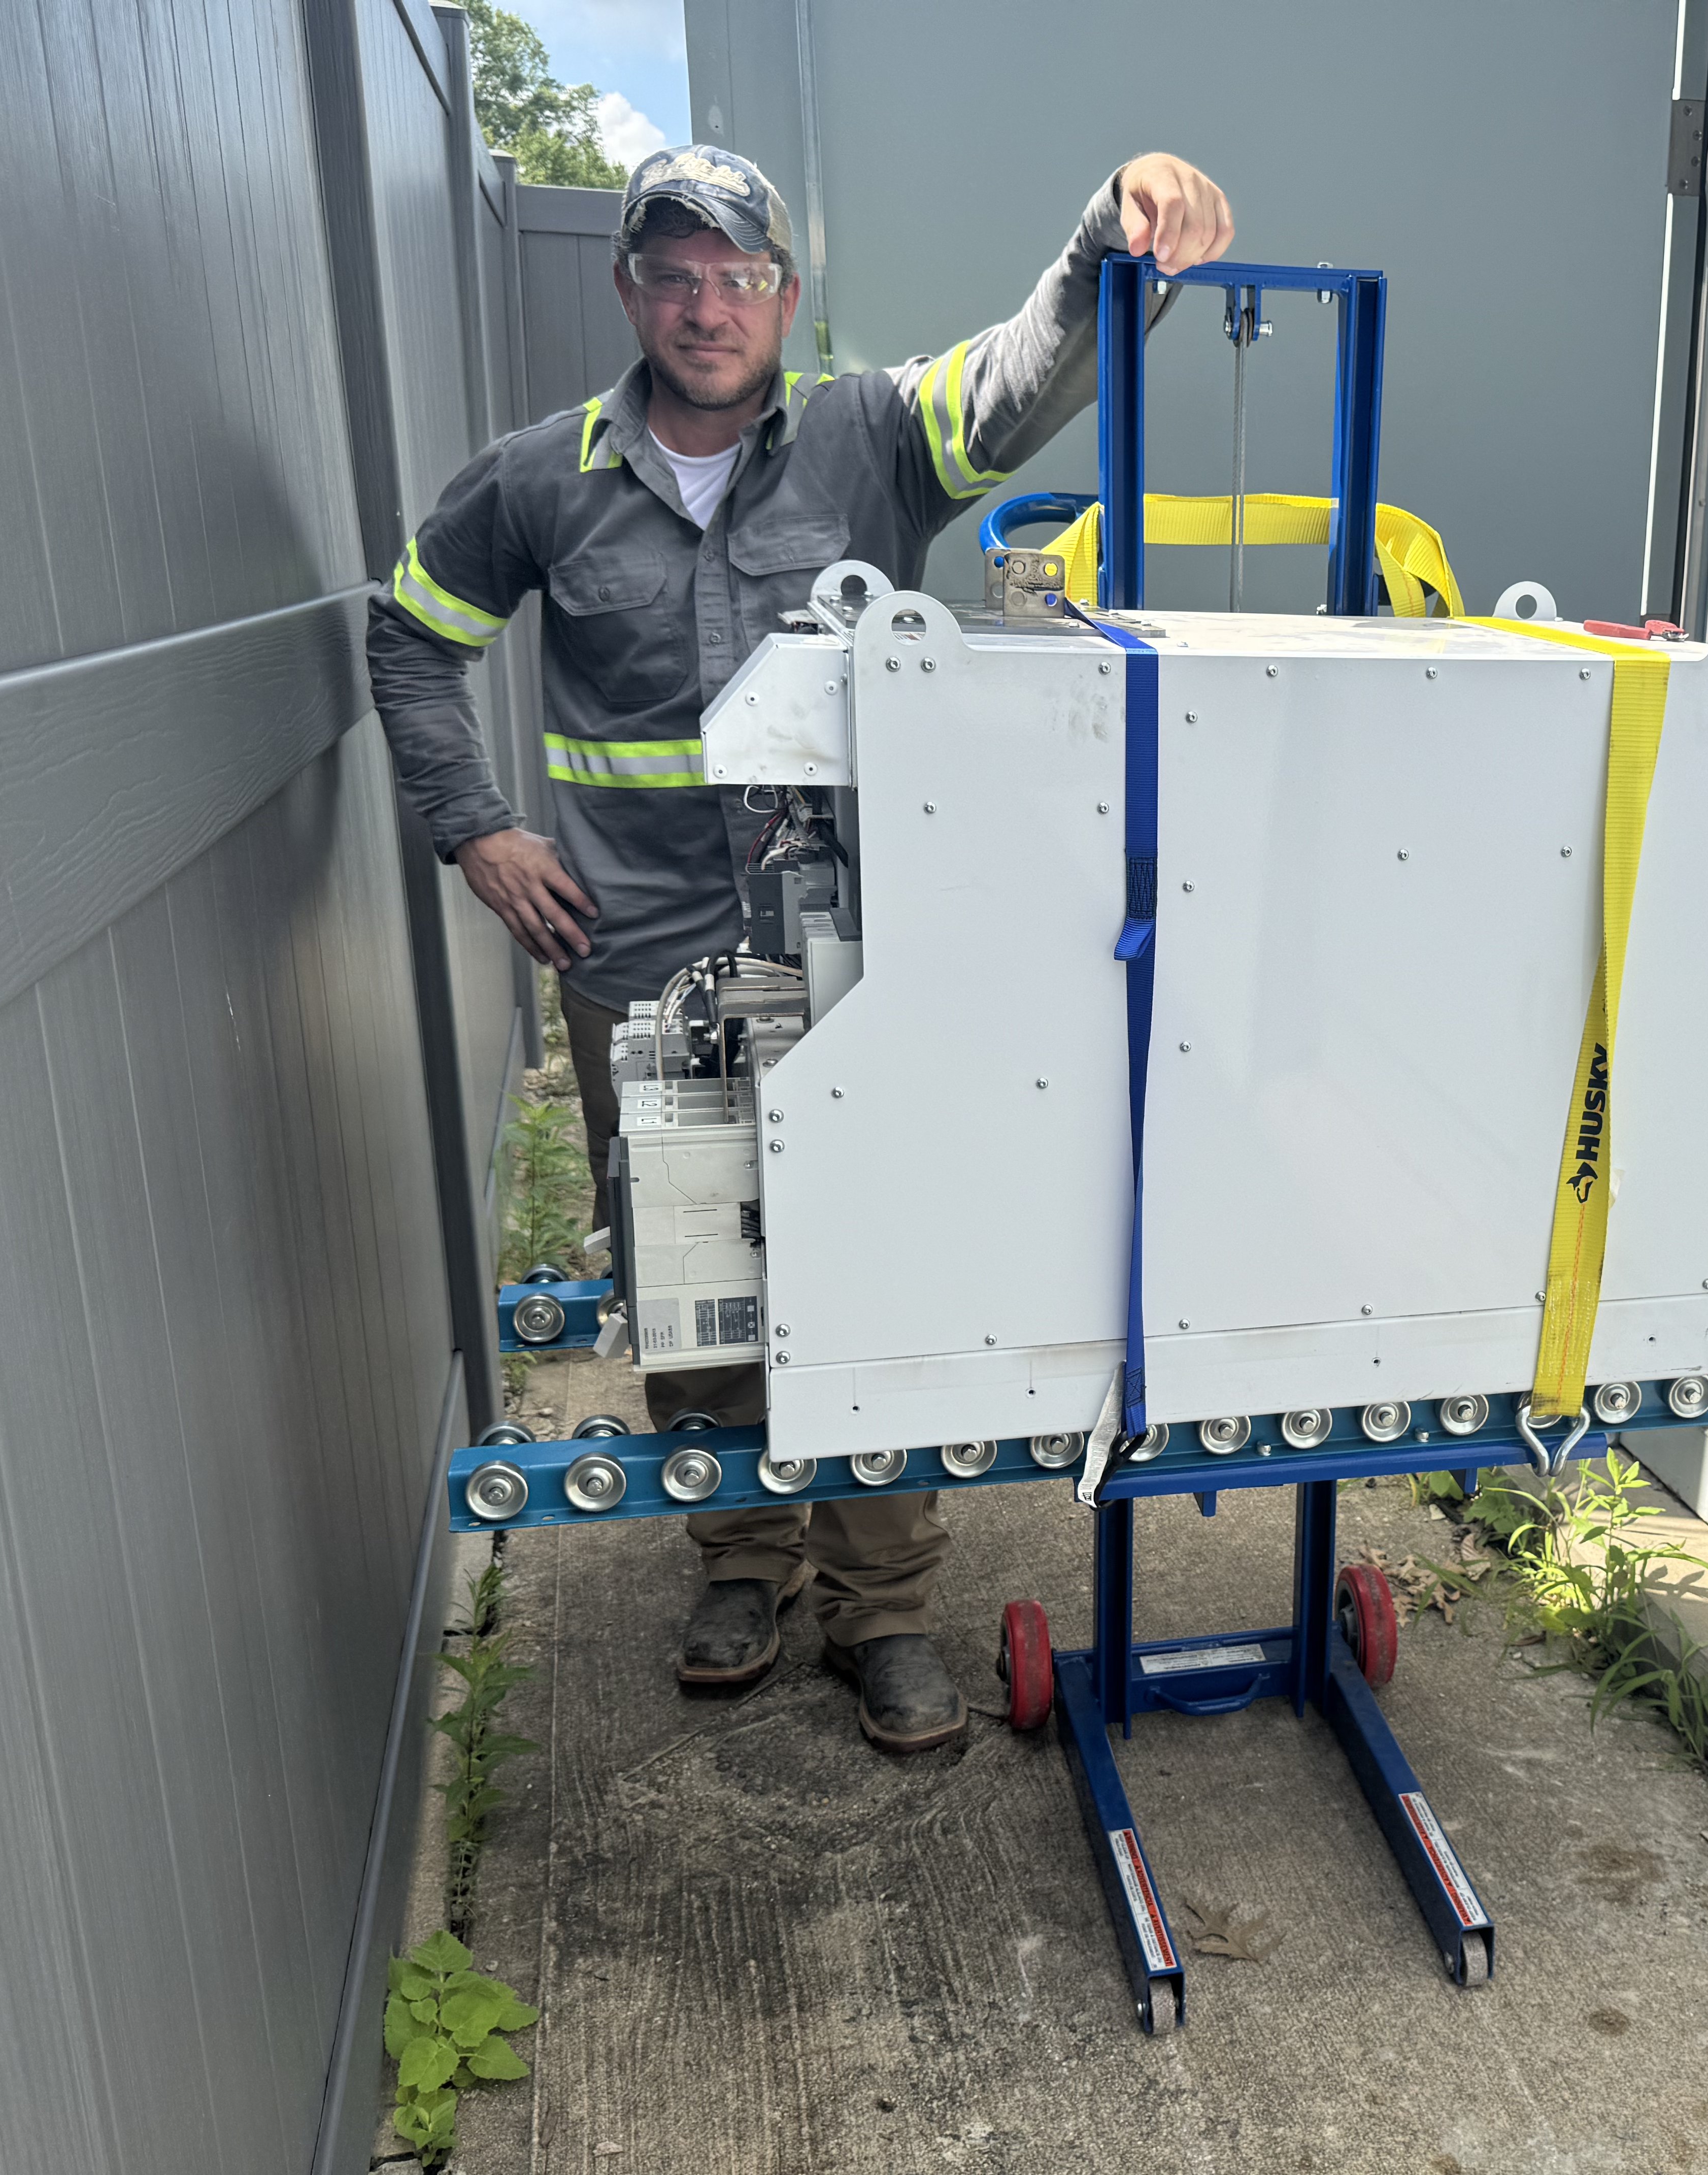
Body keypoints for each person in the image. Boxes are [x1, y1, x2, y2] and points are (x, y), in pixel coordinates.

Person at [366, 143, 1234, 1752]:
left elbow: (1029, 369)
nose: (708, 306)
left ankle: (886, 1604)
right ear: (632, 292)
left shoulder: (868, 437)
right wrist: (476, 828)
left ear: (784, 294)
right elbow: (410, 641)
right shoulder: (536, 478)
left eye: (739, 275)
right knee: (696, 1270)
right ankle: (742, 1553)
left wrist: (1108, 220)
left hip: (859, 959)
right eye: (676, 274)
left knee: (882, 1261)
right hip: (640, 962)